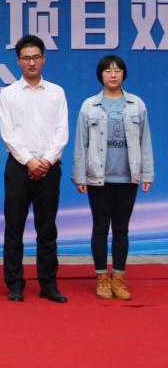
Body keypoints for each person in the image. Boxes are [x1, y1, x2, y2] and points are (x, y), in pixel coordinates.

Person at [72, 55, 154, 300]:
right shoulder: (89, 106)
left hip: (128, 178)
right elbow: (81, 143)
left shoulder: (136, 104)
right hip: (98, 178)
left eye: (117, 70)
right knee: (100, 228)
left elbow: (145, 141)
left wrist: (147, 173)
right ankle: (101, 278)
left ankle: (118, 277)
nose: (113, 74)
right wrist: (80, 176)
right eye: (108, 71)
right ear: (101, 75)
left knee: (121, 229)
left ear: (124, 74)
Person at [0, 34, 69, 303]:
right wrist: (29, 161)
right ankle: (15, 284)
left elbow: (62, 131)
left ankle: (48, 284)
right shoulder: (8, 93)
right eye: (26, 58)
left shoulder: (56, 92)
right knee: (14, 229)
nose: (31, 62)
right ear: (18, 61)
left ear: (44, 59)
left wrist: (47, 161)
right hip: (18, 168)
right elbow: (8, 134)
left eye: (36, 57)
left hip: (49, 168)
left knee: (47, 229)